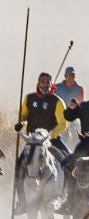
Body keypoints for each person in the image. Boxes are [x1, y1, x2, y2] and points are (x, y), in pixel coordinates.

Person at [14, 72, 70, 209]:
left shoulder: (57, 101)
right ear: (38, 83)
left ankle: (68, 198)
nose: (45, 84)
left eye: (47, 82)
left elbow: (63, 123)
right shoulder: (29, 98)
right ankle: (22, 202)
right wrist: (20, 123)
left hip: (52, 140)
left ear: (51, 84)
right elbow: (22, 115)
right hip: (33, 142)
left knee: (70, 161)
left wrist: (49, 137)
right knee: (19, 167)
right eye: (42, 82)